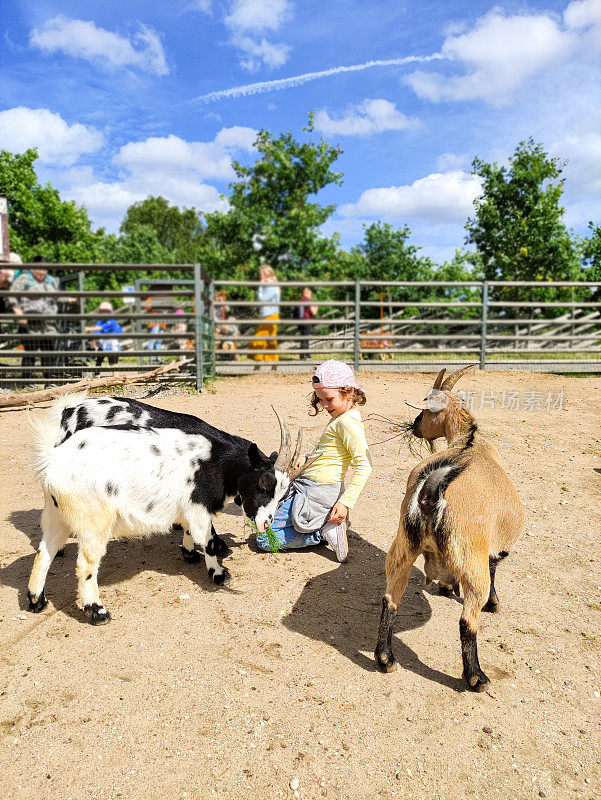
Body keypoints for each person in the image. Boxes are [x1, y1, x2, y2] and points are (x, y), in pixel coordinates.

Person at [256, 360, 372, 562]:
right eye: (320, 399)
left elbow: (364, 465)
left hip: (319, 490)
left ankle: (323, 531)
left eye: (329, 399)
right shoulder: (341, 417)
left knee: (265, 538)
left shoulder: (348, 422)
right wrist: (308, 458)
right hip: (310, 485)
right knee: (267, 515)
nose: (324, 405)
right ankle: (323, 522)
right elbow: (331, 452)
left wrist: (345, 503)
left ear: (349, 391)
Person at [8, 256, 59, 380]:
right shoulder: (24, 279)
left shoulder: (49, 282)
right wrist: (18, 312)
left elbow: (57, 297)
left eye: (45, 270)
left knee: (48, 352)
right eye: (40, 269)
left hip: (47, 324)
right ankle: (27, 380)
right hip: (30, 322)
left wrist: (73, 299)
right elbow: (12, 296)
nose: (42, 272)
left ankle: (49, 380)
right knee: (30, 351)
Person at [249, 264, 280, 364]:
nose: (259, 276)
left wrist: (260, 286)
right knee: (270, 339)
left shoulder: (271, 285)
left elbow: (262, 300)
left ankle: (259, 359)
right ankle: (272, 362)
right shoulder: (269, 285)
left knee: (259, 337)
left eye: (261, 274)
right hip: (268, 315)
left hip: (271, 315)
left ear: (265, 275)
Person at [84, 301, 123, 369]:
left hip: (112, 345)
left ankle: (116, 377)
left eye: (106, 311)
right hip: (102, 344)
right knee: (98, 361)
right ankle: (96, 375)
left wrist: (88, 328)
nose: (104, 313)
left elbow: (100, 328)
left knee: (113, 363)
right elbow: (96, 334)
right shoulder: (99, 322)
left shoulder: (112, 322)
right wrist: (94, 345)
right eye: (102, 311)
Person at [295, 286, 318, 360]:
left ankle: (306, 354)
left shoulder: (300, 301)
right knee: (306, 338)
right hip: (307, 322)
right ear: (309, 294)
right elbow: (313, 312)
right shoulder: (309, 301)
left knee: (303, 338)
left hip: (300, 322)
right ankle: (303, 356)